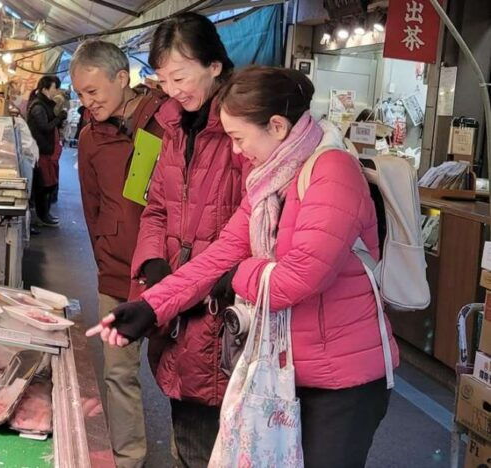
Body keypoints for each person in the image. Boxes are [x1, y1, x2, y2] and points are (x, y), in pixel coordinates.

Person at [88, 66, 397, 468]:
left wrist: (238, 276)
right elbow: (222, 253)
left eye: (239, 138)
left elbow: (299, 277)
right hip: (284, 369)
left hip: (343, 379)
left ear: (277, 126)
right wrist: (151, 306)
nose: (235, 151)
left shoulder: (333, 171)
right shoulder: (269, 179)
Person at [127, 13, 247, 468]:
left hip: (224, 307)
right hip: (177, 305)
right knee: (187, 429)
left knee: (218, 441)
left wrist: (217, 281)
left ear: (214, 65)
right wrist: (153, 263)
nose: (172, 89)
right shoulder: (174, 128)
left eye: (179, 77)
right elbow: (156, 207)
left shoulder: (242, 129)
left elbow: (256, 225)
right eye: (163, 79)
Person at [70, 39, 168, 468]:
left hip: (168, 275)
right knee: (118, 373)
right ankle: (128, 459)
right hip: (116, 274)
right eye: (80, 94)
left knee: (182, 376)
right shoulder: (91, 137)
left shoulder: (166, 122)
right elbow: (91, 207)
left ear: (122, 78)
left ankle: (190, 456)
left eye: (93, 91)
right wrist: (106, 258)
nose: (86, 102)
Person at [26, 76, 65, 227]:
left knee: (46, 185)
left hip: (45, 150)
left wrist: (59, 119)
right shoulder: (38, 106)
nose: (57, 91)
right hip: (40, 151)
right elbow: (44, 127)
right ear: (45, 89)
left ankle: (43, 215)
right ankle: (42, 216)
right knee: (43, 186)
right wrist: (59, 118)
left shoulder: (45, 104)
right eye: (55, 87)